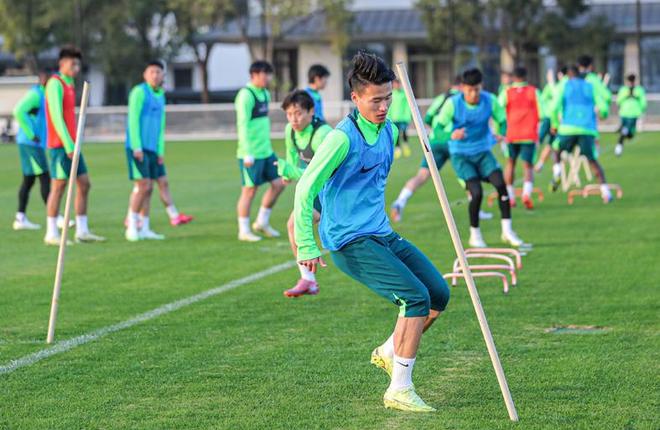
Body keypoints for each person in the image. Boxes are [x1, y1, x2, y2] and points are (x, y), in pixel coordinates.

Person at [294, 51, 450, 412]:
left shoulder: (390, 131)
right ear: (355, 98)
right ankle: (399, 389)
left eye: (388, 99)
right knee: (415, 297)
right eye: (375, 100)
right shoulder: (341, 139)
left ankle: (390, 350)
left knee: (438, 294)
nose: (383, 107)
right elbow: (305, 188)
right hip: (349, 241)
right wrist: (306, 244)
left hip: (381, 233)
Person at [436, 68, 525, 248]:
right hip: (461, 155)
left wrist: (501, 133)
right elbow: (437, 130)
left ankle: (507, 231)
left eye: (476, 89)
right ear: (463, 88)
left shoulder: (489, 100)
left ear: (481, 86)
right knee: (476, 193)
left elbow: (503, 121)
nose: (473, 94)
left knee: (501, 186)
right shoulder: (453, 104)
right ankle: (475, 234)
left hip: (483, 152)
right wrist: (451, 135)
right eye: (469, 90)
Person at [124, 61, 193, 241]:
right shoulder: (139, 92)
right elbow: (133, 120)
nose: (155, 75)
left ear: (163, 76)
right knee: (143, 186)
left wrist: (160, 150)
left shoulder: (160, 95)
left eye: (158, 72)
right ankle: (132, 225)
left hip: (153, 149)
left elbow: (161, 125)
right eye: (152, 72)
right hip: (138, 148)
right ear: (145, 74)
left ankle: (145, 227)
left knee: (150, 188)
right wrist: (137, 146)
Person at [44, 46, 105, 245]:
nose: (76, 68)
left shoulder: (70, 84)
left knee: (84, 184)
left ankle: (82, 230)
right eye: (73, 64)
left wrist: (74, 143)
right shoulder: (55, 83)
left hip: (73, 144)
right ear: (62, 63)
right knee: (59, 186)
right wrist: (68, 144)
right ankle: (51, 232)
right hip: (60, 145)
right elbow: (56, 117)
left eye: (78, 64)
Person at [277, 90, 332, 297]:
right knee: (293, 225)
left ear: (311, 111)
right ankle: (308, 280)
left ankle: (309, 280)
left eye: (298, 113)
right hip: (315, 188)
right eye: (289, 114)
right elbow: (292, 156)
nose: (293, 119)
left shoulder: (323, 134)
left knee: (344, 242)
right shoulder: (290, 130)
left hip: (331, 188)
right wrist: (288, 172)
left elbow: (321, 174)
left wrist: (291, 171)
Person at [390, 78, 461, 222]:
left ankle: (400, 201)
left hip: (434, 141)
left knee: (422, 175)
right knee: (467, 176)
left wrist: (438, 130)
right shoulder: (461, 99)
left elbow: (428, 118)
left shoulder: (441, 97)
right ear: (462, 85)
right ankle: (477, 213)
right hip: (454, 142)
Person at [235, 60, 285, 242]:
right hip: (250, 154)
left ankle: (262, 222)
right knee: (249, 191)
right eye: (265, 74)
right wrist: (247, 153)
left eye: (269, 74)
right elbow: (242, 125)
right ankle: (244, 230)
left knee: (279, 184)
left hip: (266, 151)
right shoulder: (245, 95)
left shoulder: (265, 93)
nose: (268, 78)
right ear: (254, 75)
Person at [550, 65, 612, 202]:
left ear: (568, 76)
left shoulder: (564, 85)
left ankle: (557, 172)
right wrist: (603, 114)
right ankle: (605, 192)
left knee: (556, 149)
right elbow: (603, 105)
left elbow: (553, 107)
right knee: (592, 160)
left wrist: (554, 124)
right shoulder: (590, 86)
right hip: (587, 128)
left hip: (568, 128)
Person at [498, 66, 542, 210]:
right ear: (525, 76)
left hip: (511, 134)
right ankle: (526, 194)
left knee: (510, 163)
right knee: (528, 166)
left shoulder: (506, 92)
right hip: (529, 134)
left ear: (513, 77)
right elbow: (543, 113)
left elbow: (498, 111)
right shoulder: (534, 91)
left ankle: (510, 196)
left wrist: (500, 131)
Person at [12, 70, 50, 230]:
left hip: (32, 143)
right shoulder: (35, 95)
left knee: (29, 179)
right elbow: (18, 110)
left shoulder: (45, 95)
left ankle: (20, 218)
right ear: (42, 79)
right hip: (30, 143)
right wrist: (31, 134)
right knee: (45, 176)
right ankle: (54, 217)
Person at [535, 67, 567, 172]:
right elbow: (542, 100)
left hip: (557, 120)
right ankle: (533, 160)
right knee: (539, 140)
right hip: (550, 118)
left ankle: (542, 164)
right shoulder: (553, 87)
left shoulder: (563, 86)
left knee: (552, 144)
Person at [615, 74, 646, 156]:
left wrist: (641, 110)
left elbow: (643, 102)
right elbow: (618, 101)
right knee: (626, 131)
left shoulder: (639, 90)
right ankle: (619, 145)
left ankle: (620, 140)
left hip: (633, 114)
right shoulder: (623, 90)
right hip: (625, 113)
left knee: (630, 134)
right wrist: (626, 96)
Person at [388, 79, 412, 159]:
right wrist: (389, 116)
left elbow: (407, 106)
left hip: (403, 118)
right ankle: (397, 148)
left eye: (398, 84)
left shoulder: (404, 94)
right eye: (395, 84)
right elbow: (389, 107)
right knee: (396, 134)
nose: (396, 86)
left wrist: (407, 116)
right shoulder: (391, 94)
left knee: (404, 132)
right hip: (394, 118)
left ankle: (405, 145)